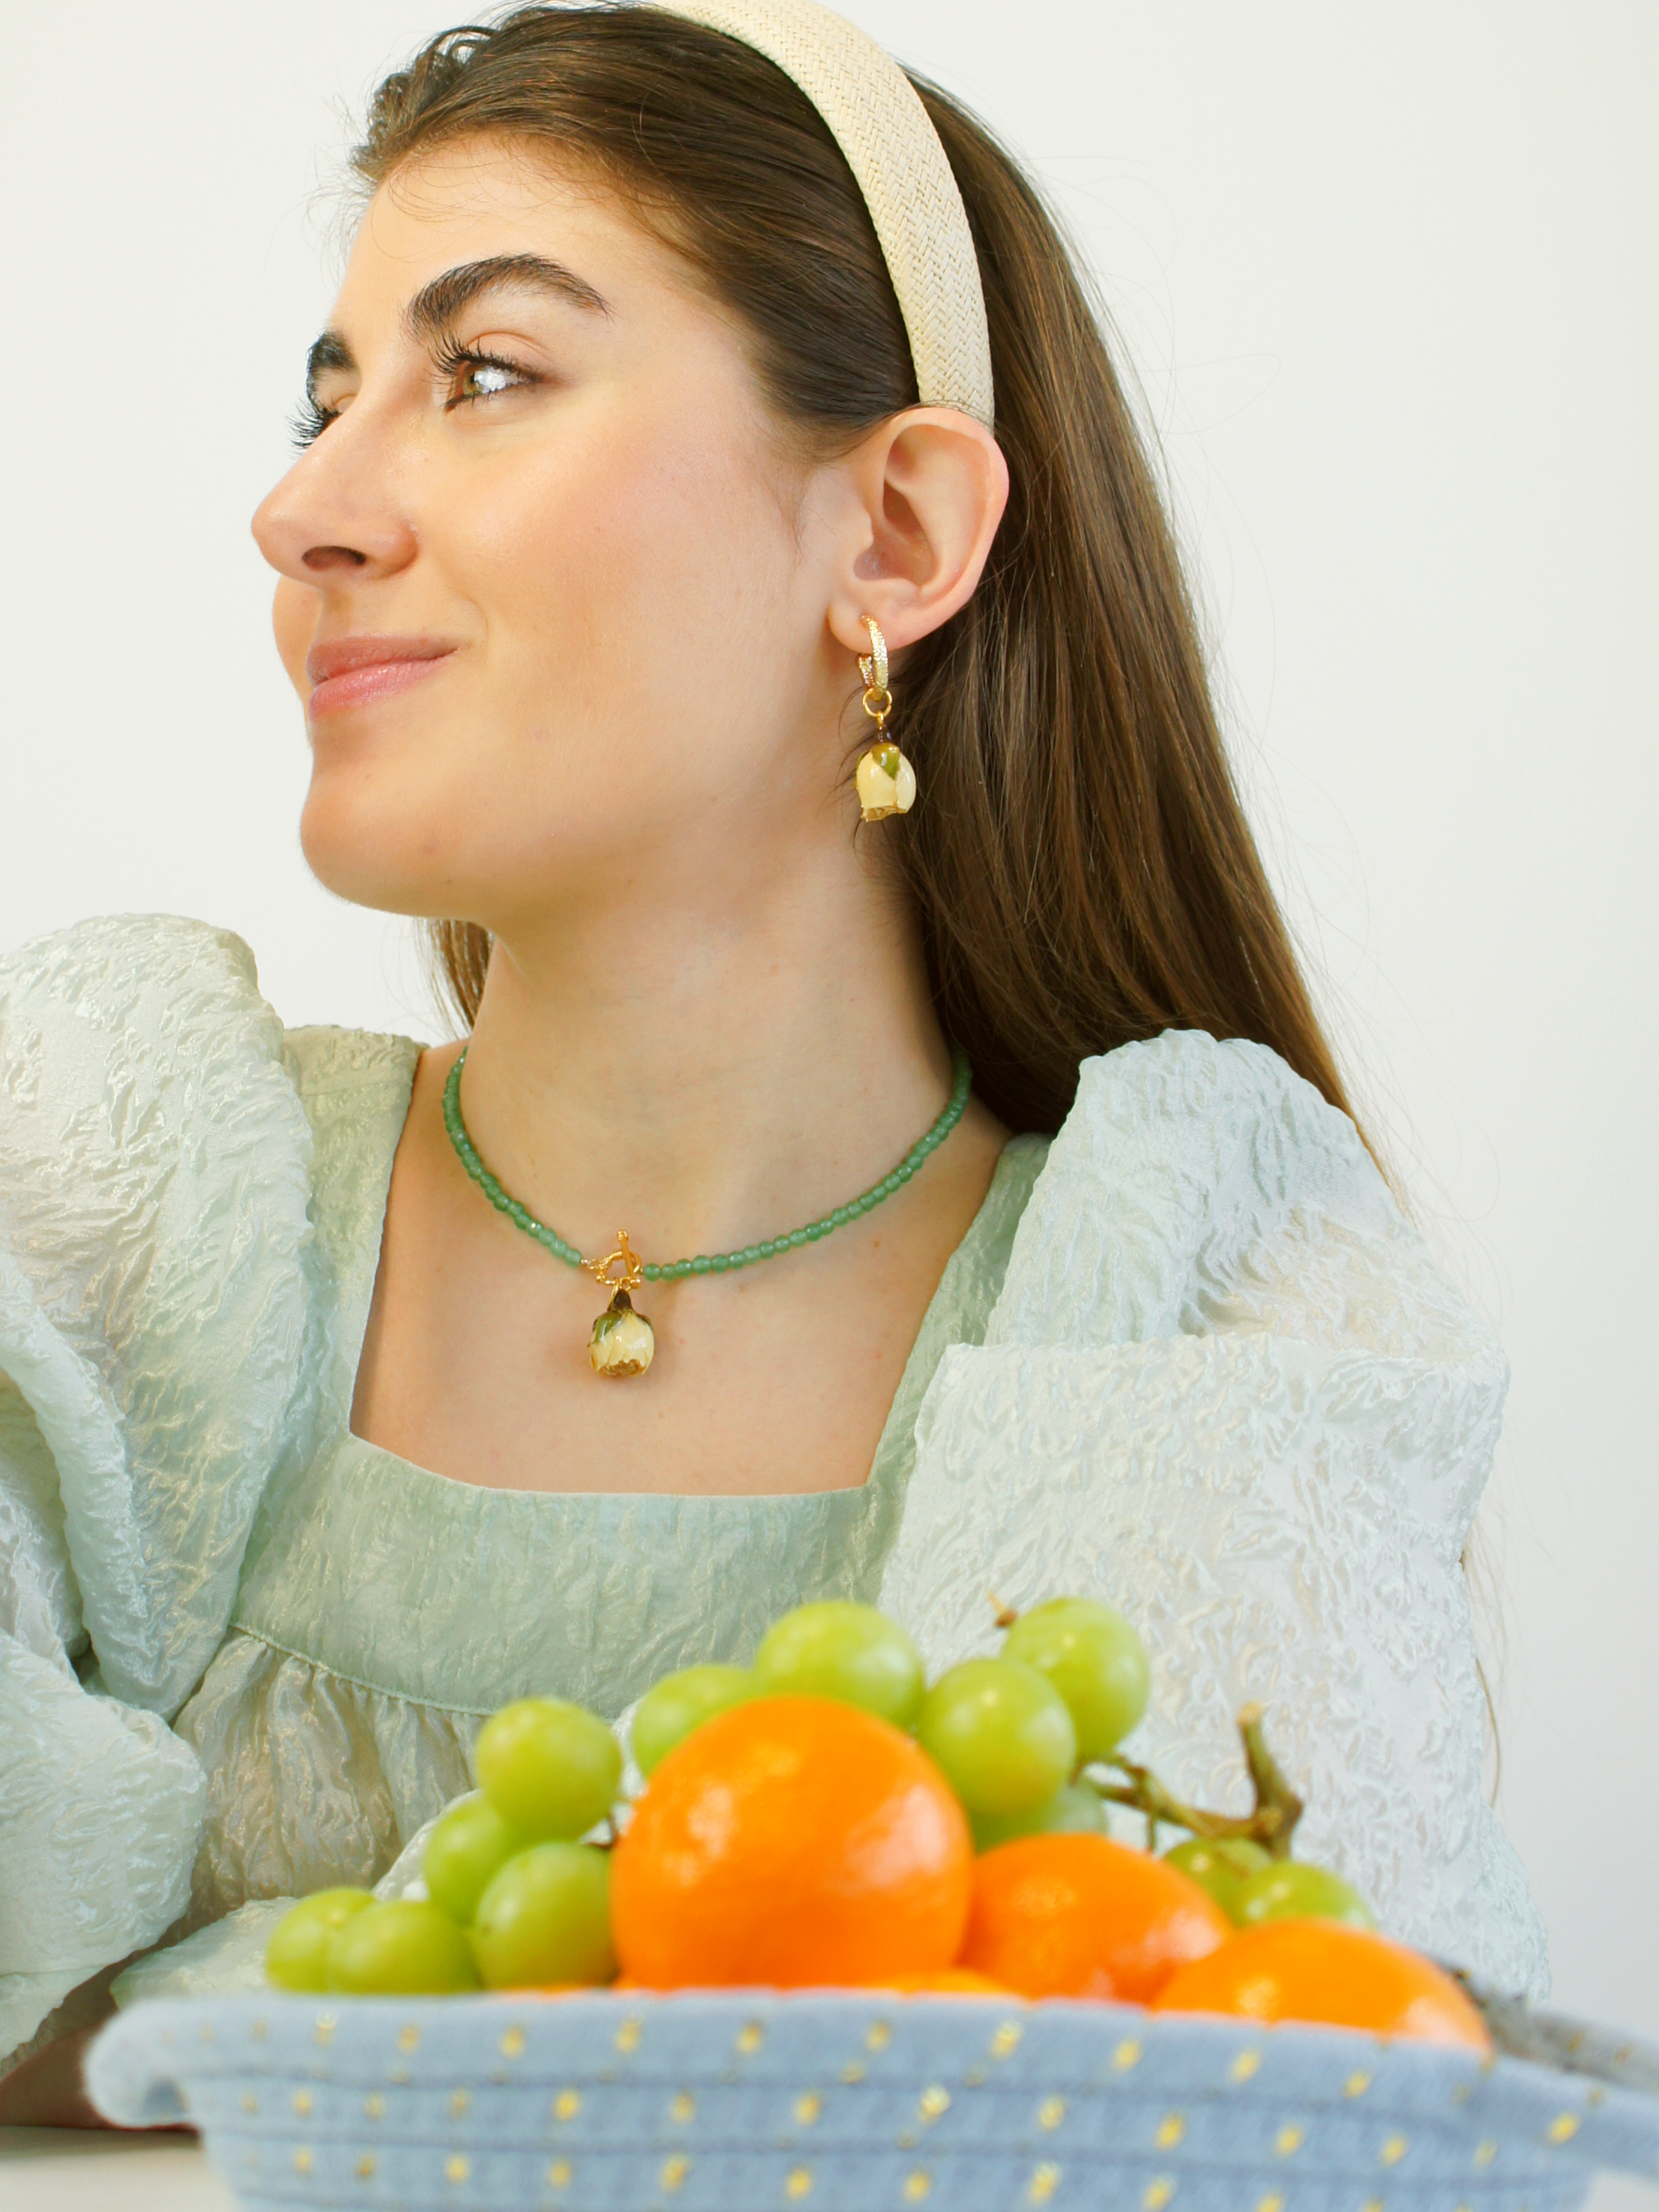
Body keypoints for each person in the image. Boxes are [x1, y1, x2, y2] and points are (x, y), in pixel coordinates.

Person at [0, 0, 1546, 2126]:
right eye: (325, 394)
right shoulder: (115, 1187)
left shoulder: (1202, 1311)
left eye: (486, 375)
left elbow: (1240, 2090)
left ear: (894, 537)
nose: (305, 506)